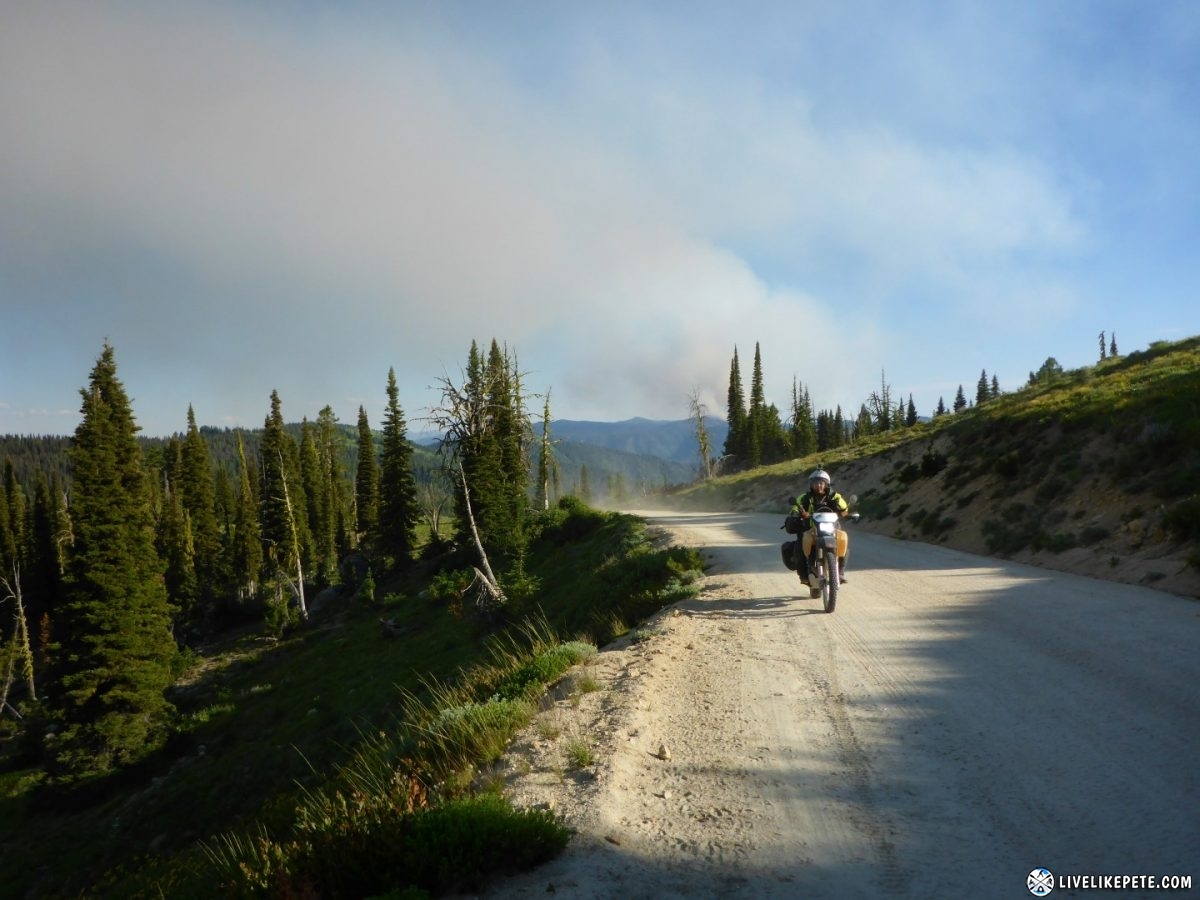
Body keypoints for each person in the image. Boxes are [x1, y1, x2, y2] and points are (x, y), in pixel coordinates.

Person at [790, 468, 851, 583]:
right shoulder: (805, 497)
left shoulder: (834, 496)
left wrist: (844, 512)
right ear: (811, 485)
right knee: (800, 544)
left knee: (843, 539)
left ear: (826, 484)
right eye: (816, 483)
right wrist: (799, 513)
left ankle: (841, 572)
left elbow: (845, 508)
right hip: (812, 528)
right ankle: (806, 572)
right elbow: (795, 508)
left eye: (821, 483)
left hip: (832, 528)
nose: (819, 485)